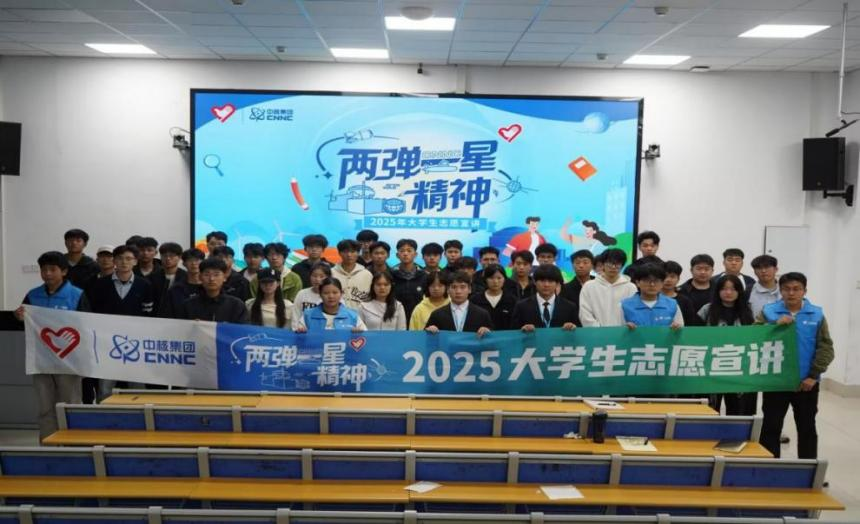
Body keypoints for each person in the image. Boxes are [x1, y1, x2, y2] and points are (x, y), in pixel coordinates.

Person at [14, 251, 90, 438]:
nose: (47, 274)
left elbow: (86, 327)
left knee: (70, 406)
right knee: (45, 407)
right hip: (41, 361)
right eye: (44, 270)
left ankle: (73, 446)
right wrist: (19, 317)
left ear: (63, 271)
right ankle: (48, 445)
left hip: (69, 362)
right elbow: (25, 322)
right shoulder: (33, 295)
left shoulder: (77, 295)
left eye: (52, 269)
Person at [758, 272, 834, 459]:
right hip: (776, 382)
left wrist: (813, 376)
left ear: (804, 291)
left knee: (807, 427)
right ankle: (768, 467)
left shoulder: (816, 314)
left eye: (796, 289)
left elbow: (825, 347)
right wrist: (774, 325)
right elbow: (753, 336)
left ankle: (808, 469)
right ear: (780, 291)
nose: (791, 293)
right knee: (770, 427)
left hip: (806, 383)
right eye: (786, 289)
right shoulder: (768, 311)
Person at [698, 274, 756, 415]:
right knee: (711, 408)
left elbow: (754, 337)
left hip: (738, 366)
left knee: (737, 409)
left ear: (739, 291)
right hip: (712, 366)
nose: (728, 292)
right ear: (718, 291)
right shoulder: (707, 310)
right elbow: (696, 336)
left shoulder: (748, 310)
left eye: (733, 289)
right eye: (724, 289)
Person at [87, 245, 156, 317]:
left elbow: (147, 312)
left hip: (134, 324)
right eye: (120, 258)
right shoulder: (100, 283)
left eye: (128, 259)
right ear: (114, 261)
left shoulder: (145, 285)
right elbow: (94, 309)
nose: (124, 262)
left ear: (135, 261)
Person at [177, 257, 249, 323]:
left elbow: (242, 330)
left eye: (216, 274)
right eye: (207, 274)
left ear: (224, 277)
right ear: (200, 277)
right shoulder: (188, 305)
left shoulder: (236, 305)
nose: (211, 279)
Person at [578, 248, 637, 327]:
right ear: (603, 264)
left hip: (623, 332)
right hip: (596, 333)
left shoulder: (631, 287)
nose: (613, 267)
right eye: (609, 263)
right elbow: (585, 314)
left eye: (617, 264)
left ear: (622, 265)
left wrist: (625, 328)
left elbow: (633, 312)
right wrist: (599, 330)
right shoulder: (589, 286)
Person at [511, 264, 578, 332]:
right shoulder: (521, 306)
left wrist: (572, 327)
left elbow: (577, 331)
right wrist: (522, 330)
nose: (546, 285)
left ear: (557, 284)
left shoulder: (570, 307)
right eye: (542, 281)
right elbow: (513, 332)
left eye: (550, 281)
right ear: (534, 282)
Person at [425, 271, 493, 336]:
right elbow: (425, 337)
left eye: (462, 287)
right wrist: (430, 330)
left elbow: (492, 338)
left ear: (469, 289)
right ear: (448, 290)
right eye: (454, 287)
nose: (458, 291)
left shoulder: (482, 314)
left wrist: (487, 331)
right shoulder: (437, 314)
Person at [622, 263, 683, 330]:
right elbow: (616, 331)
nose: (652, 284)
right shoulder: (624, 306)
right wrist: (625, 329)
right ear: (637, 283)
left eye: (656, 281)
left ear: (662, 283)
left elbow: (681, 330)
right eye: (647, 280)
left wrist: (676, 328)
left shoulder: (672, 305)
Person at [294, 278, 367, 332]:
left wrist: (358, 334)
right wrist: (301, 333)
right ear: (320, 294)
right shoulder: (308, 315)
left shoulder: (353, 316)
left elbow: (366, 337)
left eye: (335, 293)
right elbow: (296, 338)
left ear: (341, 293)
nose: (331, 296)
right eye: (326, 293)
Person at [470, 263, 517, 330]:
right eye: (491, 278)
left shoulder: (512, 300)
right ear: (485, 279)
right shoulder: (475, 300)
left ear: (504, 279)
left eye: (499, 278)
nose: (495, 281)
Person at [161, 248, 204, 319]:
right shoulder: (175, 289)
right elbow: (168, 314)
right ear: (184, 263)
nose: (193, 263)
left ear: (203, 262)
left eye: (197, 260)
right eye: (190, 260)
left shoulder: (210, 288)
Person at [331, 239, 373, 310]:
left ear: (358, 253)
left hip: (360, 315)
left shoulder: (367, 275)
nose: (349, 255)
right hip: (336, 314)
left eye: (353, 252)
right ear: (339, 253)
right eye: (345, 252)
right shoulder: (331, 273)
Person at [390, 239, 426, 321]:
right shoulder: (390, 275)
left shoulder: (424, 275)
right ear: (397, 255)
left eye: (409, 251)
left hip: (418, 317)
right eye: (402, 251)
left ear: (415, 254)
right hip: (394, 317)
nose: (405, 254)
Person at [147, 241, 185, 317]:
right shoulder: (152, 277)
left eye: (172, 256)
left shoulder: (185, 277)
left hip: (179, 317)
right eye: (164, 256)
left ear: (179, 257)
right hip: (156, 317)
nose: (168, 258)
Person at [678, 254, 715, 325]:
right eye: (699, 269)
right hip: (687, 329)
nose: (703, 272)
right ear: (691, 270)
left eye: (706, 269)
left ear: (712, 271)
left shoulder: (719, 290)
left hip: (714, 330)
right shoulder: (681, 291)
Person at [661, 260, 698, 327]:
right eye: (665, 276)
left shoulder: (685, 301)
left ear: (678, 279)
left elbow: (690, 325)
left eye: (672, 276)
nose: (668, 280)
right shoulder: (653, 299)